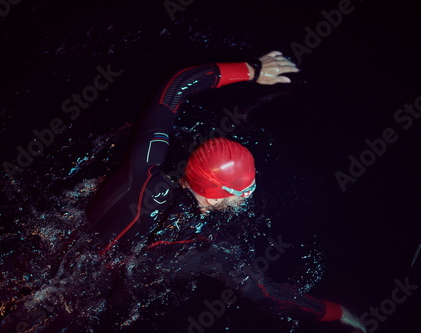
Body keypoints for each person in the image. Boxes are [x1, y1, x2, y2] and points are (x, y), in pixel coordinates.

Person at [85, 51, 367, 332]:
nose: (247, 195)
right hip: (91, 309)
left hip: (72, 255)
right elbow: (272, 296)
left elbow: (176, 85)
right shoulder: (209, 249)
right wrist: (338, 312)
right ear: (213, 194)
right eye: (244, 190)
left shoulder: (143, 164)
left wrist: (253, 70)